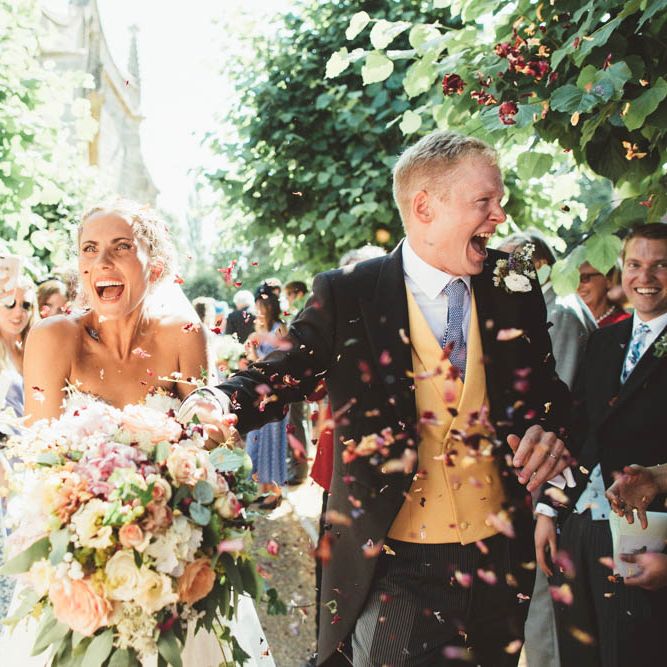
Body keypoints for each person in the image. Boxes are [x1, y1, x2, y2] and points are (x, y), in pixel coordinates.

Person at [180, 131, 572, 667]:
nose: (499, 216)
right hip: (395, 564)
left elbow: (548, 393)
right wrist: (218, 402)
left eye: (499, 201)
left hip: (500, 559)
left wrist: (550, 430)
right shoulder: (349, 292)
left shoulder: (511, 285)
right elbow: (283, 373)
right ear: (424, 208)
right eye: (484, 201)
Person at [0, 199, 273, 666]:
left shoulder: (183, 334)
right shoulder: (53, 337)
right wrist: (95, 544)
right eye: (89, 249)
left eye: (121, 247)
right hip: (82, 555)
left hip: (173, 555)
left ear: (156, 265)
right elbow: (42, 462)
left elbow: (208, 448)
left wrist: (210, 447)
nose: (102, 261)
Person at [535, 222, 667, 666]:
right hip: (580, 528)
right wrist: (549, 509)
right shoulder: (605, 341)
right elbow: (580, 432)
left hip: (648, 540)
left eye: (661, 265)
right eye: (635, 264)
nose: (645, 278)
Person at [499, 231, 595, 667]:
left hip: (555, 482)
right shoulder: (540, 310)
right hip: (537, 479)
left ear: (536, 266)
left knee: (546, 602)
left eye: (506, 267)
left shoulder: (562, 314)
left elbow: (561, 413)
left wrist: (546, 505)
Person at [244, 284, 289, 509]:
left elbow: (283, 361)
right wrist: (251, 353)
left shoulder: (280, 329)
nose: (259, 311)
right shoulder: (258, 329)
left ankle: (276, 492)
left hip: (276, 394)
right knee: (258, 439)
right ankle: (263, 488)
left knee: (274, 442)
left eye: (262, 307)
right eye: (257, 307)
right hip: (260, 393)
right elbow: (256, 362)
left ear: (270, 307)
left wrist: (256, 356)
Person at [577, 261, 630, 327]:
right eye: (575, 280)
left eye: (584, 278)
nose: (578, 286)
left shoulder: (624, 324)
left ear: (608, 281)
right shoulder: (570, 321)